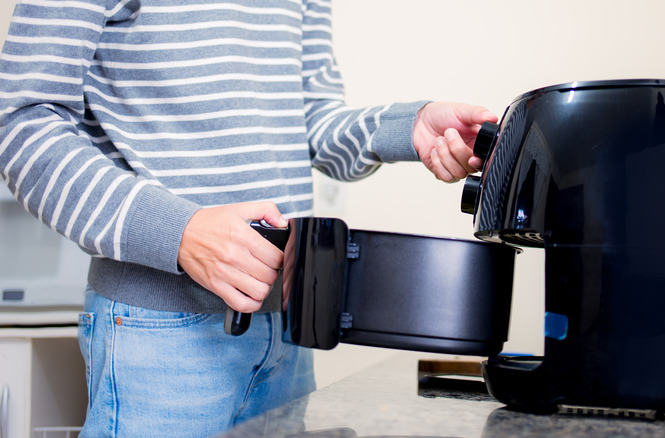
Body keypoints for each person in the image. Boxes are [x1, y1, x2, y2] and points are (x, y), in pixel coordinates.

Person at [0, 0, 497, 436]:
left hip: (286, 329)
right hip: (160, 333)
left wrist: (407, 127)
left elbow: (309, 116)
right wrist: (180, 233)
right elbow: (22, 126)